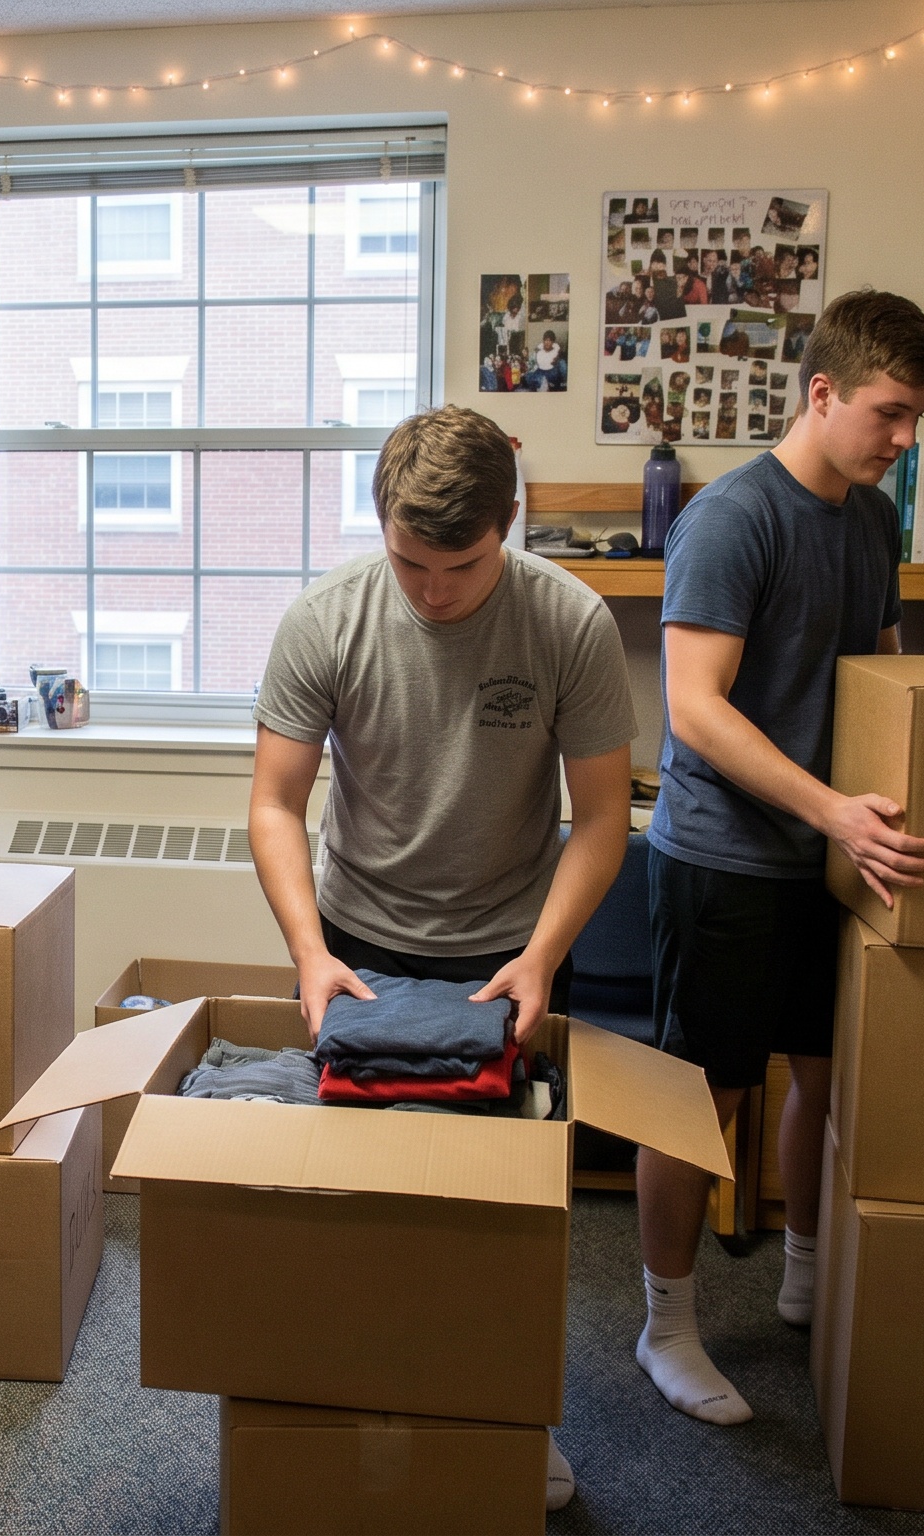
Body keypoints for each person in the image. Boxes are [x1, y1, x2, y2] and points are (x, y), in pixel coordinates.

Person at [248, 404, 638, 1512]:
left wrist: (544, 958)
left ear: (506, 528)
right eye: (408, 561)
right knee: (350, 1203)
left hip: (501, 953)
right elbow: (276, 805)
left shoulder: (569, 622)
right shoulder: (326, 618)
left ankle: (510, 1414)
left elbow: (603, 817)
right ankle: (349, 1411)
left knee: (496, 1218)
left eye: (458, 566)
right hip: (355, 945)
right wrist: (309, 955)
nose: (430, 591)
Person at [635, 289, 924, 1425]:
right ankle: (665, 1325)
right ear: (821, 394)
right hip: (725, 858)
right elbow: (694, 711)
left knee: (829, 1080)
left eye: (916, 416)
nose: (904, 437)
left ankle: (809, 1282)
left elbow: (879, 673)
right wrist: (831, 811)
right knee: (701, 1098)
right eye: (889, 412)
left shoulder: (871, 520)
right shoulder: (731, 519)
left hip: (834, 853)